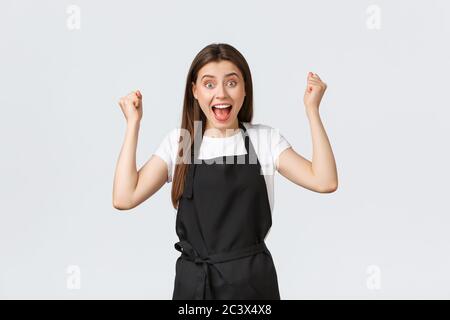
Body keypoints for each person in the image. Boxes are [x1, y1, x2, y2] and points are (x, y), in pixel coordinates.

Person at [113, 43, 338, 300]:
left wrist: (312, 110)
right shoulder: (182, 143)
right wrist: (133, 124)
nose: (221, 93)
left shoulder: (262, 140)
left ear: (245, 90)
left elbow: (324, 180)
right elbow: (124, 197)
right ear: (195, 91)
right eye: (209, 84)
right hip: (195, 288)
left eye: (231, 83)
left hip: (252, 288)